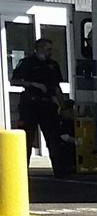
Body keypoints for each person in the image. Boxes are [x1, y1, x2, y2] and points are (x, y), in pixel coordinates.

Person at [14, 38, 72, 175]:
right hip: (30, 105)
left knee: (53, 138)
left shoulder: (52, 65)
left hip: (47, 105)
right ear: (39, 49)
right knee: (27, 139)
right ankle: (22, 172)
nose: (50, 52)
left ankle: (59, 170)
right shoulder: (27, 63)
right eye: (48, 49)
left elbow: (56, 87)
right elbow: (15, 81)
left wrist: (63, 107)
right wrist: (33, 84)